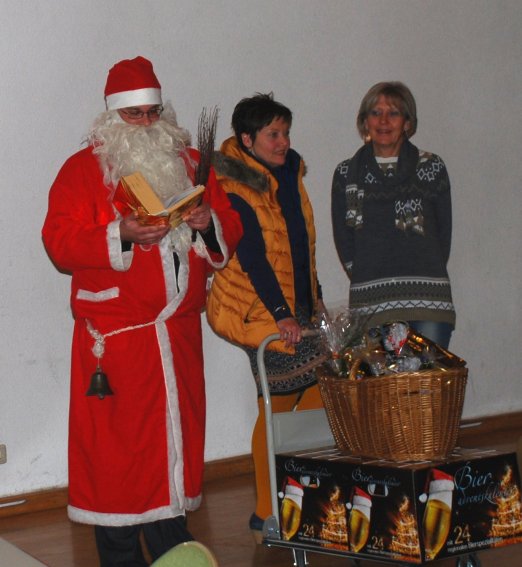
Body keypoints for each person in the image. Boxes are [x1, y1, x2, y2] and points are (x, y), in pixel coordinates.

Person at [42, 56, 242, 566]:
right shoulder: (81, 171)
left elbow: (229, 222)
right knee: (117, 465)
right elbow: (60, 241)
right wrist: (121, 234)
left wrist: (207, 222)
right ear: (112, 116)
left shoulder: (190, 162)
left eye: (153, 112)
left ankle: (176, 552)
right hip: (118, 344)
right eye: (134, 115)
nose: (147, 123)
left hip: (178, 338)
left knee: (173, 457)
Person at [206, 93, 327, 541]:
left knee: (320, 392)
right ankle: (265, 514)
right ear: (247, 139)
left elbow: (301, 243)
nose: (283, 142)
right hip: (258, 309)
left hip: (294, 307)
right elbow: (254, 257)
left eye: (286, 132)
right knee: (275, 407)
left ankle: (300, 497)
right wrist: (281, 315)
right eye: (273, 134)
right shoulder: (235, 185)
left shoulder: (289, 171)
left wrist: (315, 299)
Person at [331, 81, 455, 348]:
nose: (384, 121)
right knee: (378, 379)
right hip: (370, 307)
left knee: (428, 377)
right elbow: (345, 240)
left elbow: (442, 235)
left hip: (428, 303)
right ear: (365, 122)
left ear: (407, 123)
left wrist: (418, 270)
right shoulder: (345, 174)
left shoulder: (431, 167)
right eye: (375, 113)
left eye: (394, 113)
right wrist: (369, 275)